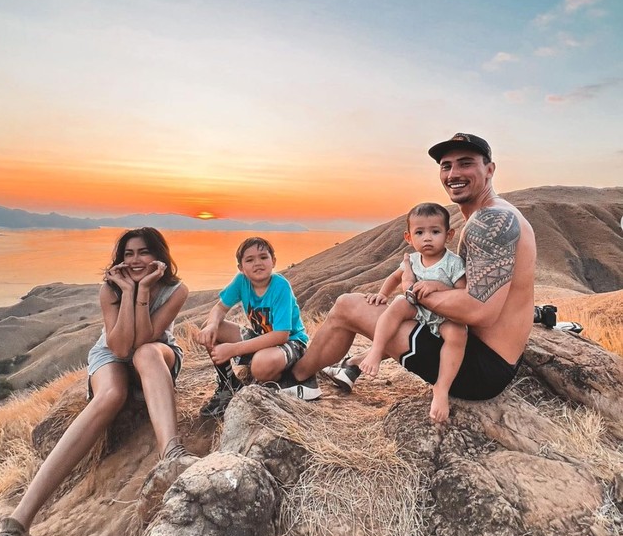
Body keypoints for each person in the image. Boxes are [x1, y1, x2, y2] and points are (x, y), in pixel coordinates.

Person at [0, 228, 189, 536]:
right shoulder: (110, 290)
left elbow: (146, 341)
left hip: (155, 354)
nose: (135, 260)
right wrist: (132, 292)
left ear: (159, 256)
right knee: (109, 397)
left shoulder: (175, 290)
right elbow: (119, 348)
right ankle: (15, 529)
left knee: (147, 352)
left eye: (143, 252)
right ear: (119, 259)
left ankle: (172, 457)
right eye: (128, 253)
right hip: (112, 353)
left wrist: (143, 293)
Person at [279, 133, 536, 423]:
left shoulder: (490, 221)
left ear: (489, 170)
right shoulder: (495, 215)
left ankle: (297, 378)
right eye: (446, 166)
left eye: (465, 164)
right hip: (494, 358)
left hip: (479, 368)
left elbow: (479, 310)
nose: (453, 174)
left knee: (347, 306)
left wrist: (412, 291)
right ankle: (347, 365)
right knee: (397, 312)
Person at [349, 202, 467, 422]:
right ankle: (375, 351)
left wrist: (438, 286)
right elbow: (395, 278)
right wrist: (383, 294)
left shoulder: (453, 263)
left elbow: (462, 292)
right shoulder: (412, 260)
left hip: (444, 315)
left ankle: (441, 389)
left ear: (448, 235)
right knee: (397, 305)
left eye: (435, 231)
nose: (427, 238)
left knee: (457, 334)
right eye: (420, 233)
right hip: (418, 310)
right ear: (409, 238)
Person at [197, 236, 319, 417]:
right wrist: (212, 324)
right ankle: (228, 385)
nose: (258, 263)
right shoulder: (241, 281)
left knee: (261, 366)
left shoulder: (280, 286)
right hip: (262, 339)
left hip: (291, 343)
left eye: (263, 257)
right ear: (241, 268)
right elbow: (220, 308)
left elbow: (281, 335)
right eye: (250, 260)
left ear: (273, 261)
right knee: (212, 328)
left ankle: (283, 379)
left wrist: (233, 349)